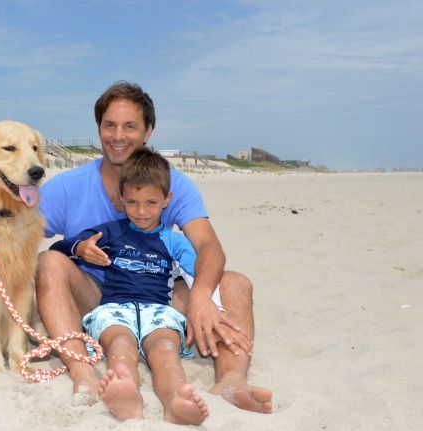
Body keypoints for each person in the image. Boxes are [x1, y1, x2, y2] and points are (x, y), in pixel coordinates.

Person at [35, 81, 272, 413]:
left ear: (148, 131)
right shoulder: (67, 187)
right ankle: (83, 374)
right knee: (48, 261)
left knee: (236, 284)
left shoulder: (170, 182)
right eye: (109, 125)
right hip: (95, 298)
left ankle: (232, 381)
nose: (118, 136)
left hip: (157, 294)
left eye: (130, 126)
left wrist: (201, 294)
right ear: (99, 128)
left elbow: (209, 246)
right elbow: (15, 233)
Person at [49, 147, 209, 424]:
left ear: (167, 200)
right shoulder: (111, 231)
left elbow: (198, 275)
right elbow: (60, 246)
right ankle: (128, 395)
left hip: (158, 310)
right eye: (132, 202)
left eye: (151, 202)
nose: (141, 211)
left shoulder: (175, 241)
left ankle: (175, 400)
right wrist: (81, 247)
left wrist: (207, 306)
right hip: (115, 309)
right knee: (120, 345)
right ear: (121, 199)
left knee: (165, 349)